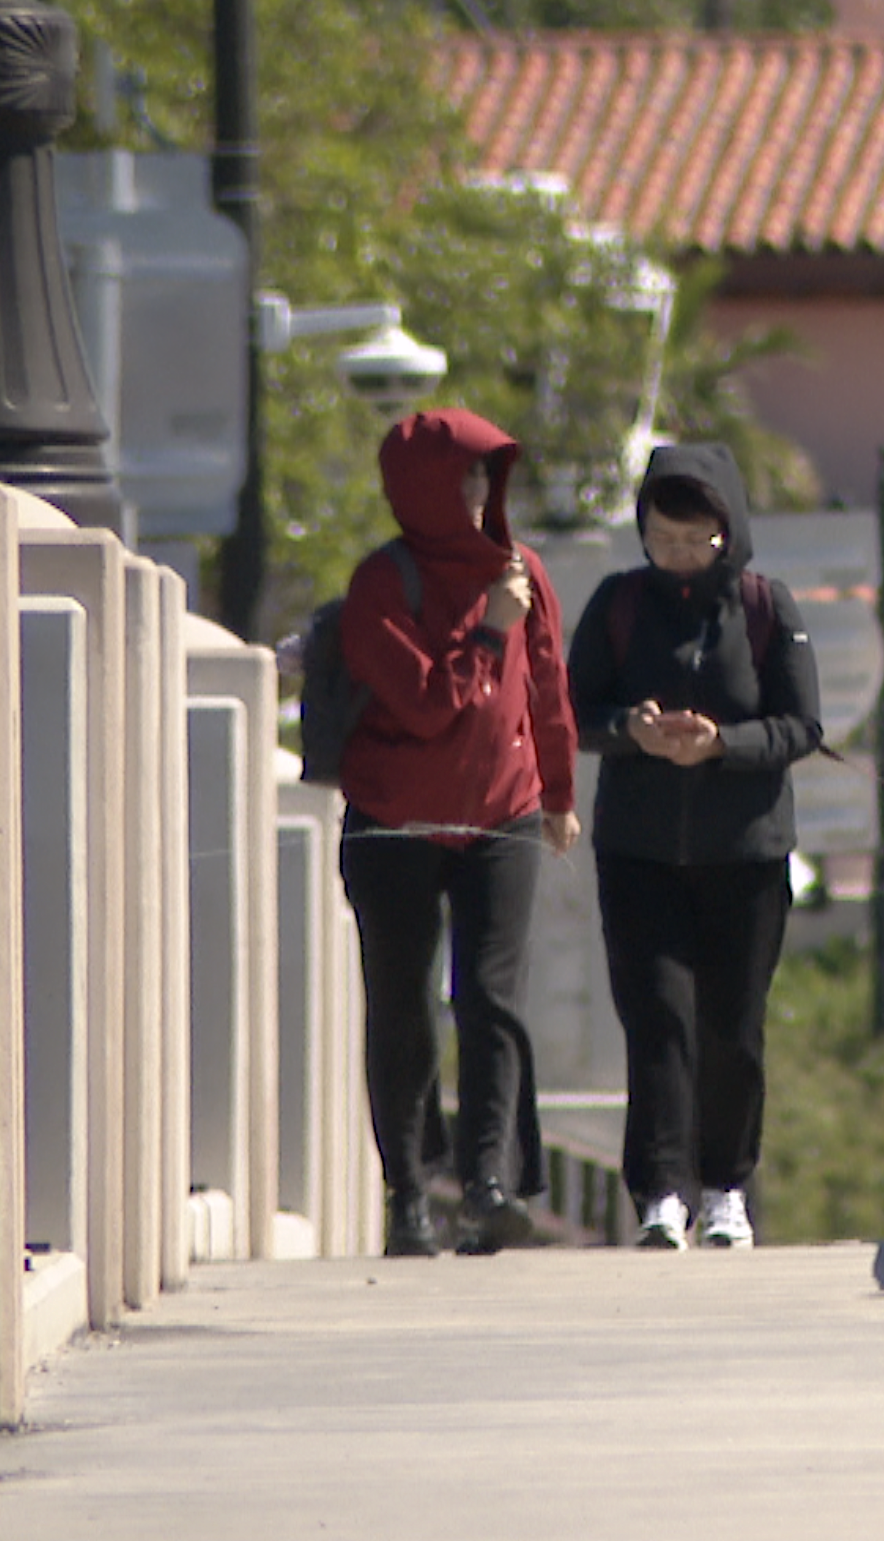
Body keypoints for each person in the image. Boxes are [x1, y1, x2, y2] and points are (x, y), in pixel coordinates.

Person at [335, 408, 582, 1257]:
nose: (478, 494)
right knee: (404, 1006)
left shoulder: (522, 572)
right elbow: (432, 704)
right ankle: (408, 1192)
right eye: (463, 477)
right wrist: (487, 629)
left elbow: (547, 688)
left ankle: (489, 1182)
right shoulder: (381, 586)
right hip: (395, 820)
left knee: (491, 997)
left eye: (487, 477)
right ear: (423, 488)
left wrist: (557, 793)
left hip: (501, 814)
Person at [565, 445, 823, 1251]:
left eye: (693, 541)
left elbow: (801, 726)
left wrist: (723, 745)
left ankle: (727, 1186)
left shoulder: (765, 607)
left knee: (732, 1028)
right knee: (657, 1022)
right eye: (662, 539)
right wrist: (632, 731)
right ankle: (661, 1190)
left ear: (728, 532)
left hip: (744, 855)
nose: (676, 555)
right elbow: (575, 711)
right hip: (639, 852)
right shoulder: (618, 605)